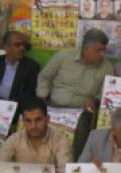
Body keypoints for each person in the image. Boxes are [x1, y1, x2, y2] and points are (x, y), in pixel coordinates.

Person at [37, 28, 113, 159]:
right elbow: (45, 77)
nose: (102, 54)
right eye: (98, 50)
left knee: (81, 125)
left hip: (81, 111)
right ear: (86, 48)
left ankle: (76, 163)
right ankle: (41, 159)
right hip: (54, 106)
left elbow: (106, 92)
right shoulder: (63, 57)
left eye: (104, 50)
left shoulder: (106, 67)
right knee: (35, 119)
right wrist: (41, 99)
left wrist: (95, 100)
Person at [0, 97, 71, 173]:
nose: (33, 126)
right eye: (28, 121)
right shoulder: (15, 139)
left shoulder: (60, 140)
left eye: (38, 120)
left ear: (47, 119)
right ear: (23, 122)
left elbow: (66, 169)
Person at [0, 31, 40, 110]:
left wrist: (10, 104)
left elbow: (29, 93)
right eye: (17, 45)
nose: (22, 48)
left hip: (14, 106)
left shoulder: (31, 66)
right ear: (6, 47)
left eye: (23, 44)